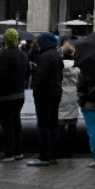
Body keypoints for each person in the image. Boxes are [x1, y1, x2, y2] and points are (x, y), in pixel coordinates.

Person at [0, 29, 28, 162]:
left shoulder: (4, 54)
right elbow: (27, 72)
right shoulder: (22, 54)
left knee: (6, 123)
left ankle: (8, 152)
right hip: (19, 94)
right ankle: (18, 151)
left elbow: (0, 75)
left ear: (5, 40)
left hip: (6, 95)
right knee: (16, 122)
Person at [29, 33, 63, 166]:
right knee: (54, 125)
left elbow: (41, 77)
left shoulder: (45, 57)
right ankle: (54, 154)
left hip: (44, 95)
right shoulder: (57, 55)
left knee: (43, 125)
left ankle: (44, 156)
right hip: (56, 93)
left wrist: (35, 90)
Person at [58, 43, 80, 157]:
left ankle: (60, 148)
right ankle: (70, 149)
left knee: (60, 123)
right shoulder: (77, 66)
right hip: (74, 95)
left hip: (61, 94)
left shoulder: (59, 65)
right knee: (72, 124)